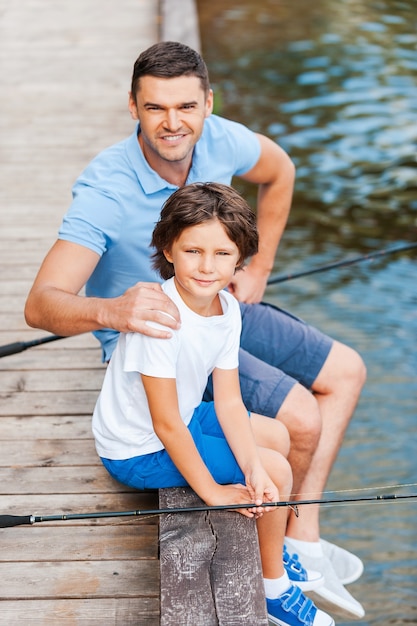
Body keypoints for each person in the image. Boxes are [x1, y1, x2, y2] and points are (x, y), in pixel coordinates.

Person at [24, 40, 367, 619]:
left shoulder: (220, 137)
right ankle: (277, 556)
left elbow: (280, 170)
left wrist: (257, 268)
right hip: (160, 329)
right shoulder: (106, 191)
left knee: (348, 371)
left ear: (208, 103)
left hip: (221, 302)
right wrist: (113, 312)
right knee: (299, 419)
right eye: (156, 107)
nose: (173, 122)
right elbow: (41, 305)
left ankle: (298, 535)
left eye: (186, 106)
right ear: (133, 106)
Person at [92, 181, 334, 626]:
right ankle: (274, 589)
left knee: (276, 440)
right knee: (278, 471)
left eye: (222, 254)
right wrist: (214, 493)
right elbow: (165, 425)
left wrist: (253, 468)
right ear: (167, 249)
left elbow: (227, 401)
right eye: (193, 251)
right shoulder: (160, 320)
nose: (207, 267)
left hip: (181, 417)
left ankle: (271, 541)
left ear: (239, 259)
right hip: (138, 447)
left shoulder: (227, 308)